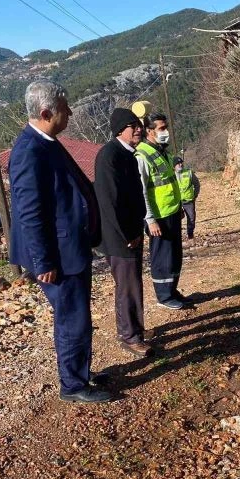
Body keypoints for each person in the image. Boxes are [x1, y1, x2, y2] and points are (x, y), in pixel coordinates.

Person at [9, 80, 111, 403]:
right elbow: (30, 213)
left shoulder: (48, 141)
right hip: (58, 255)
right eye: (64, 109)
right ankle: (73, 385)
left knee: (78, 314)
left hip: (72, 247)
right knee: (71, 316)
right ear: (45, 112)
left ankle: (80, 370)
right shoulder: (29, 151)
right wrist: (44, 262)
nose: (69, 113)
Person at [94, 108, 154, 359]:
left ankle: (135, 329)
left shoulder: (128, 155)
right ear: (120, 129)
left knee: (134, 282)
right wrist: (126, 234)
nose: (139, 129)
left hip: (132, 232)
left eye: (139, 125)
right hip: (120, 237)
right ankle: (129, 336)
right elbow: (110, 202)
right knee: (127, 286)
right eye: (133, 125)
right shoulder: (110, 156)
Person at [135, 112, 189, 310]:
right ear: (149, 131)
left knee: (175, 254)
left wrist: (179, 206)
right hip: (158, 216)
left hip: (171, 212)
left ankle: (172, 291)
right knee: (162, 257)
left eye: (165, 127)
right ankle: (164, 296)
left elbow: (169, 182)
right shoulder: (142, 155)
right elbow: (142, 190)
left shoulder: (161, 152)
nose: (165, 132)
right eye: (161, 128)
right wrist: (149, 219)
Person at [174, 155, 200, 240]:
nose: (180, 164)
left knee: (191, 218)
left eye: (181, 163)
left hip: (188, 200)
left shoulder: (189, 172)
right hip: (176, 202)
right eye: (178, 163)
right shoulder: (171, 175)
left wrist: (195, 195)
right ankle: (177, 236)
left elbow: (197, 184)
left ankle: (190, 234)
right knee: (176, 220)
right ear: (174, 165)